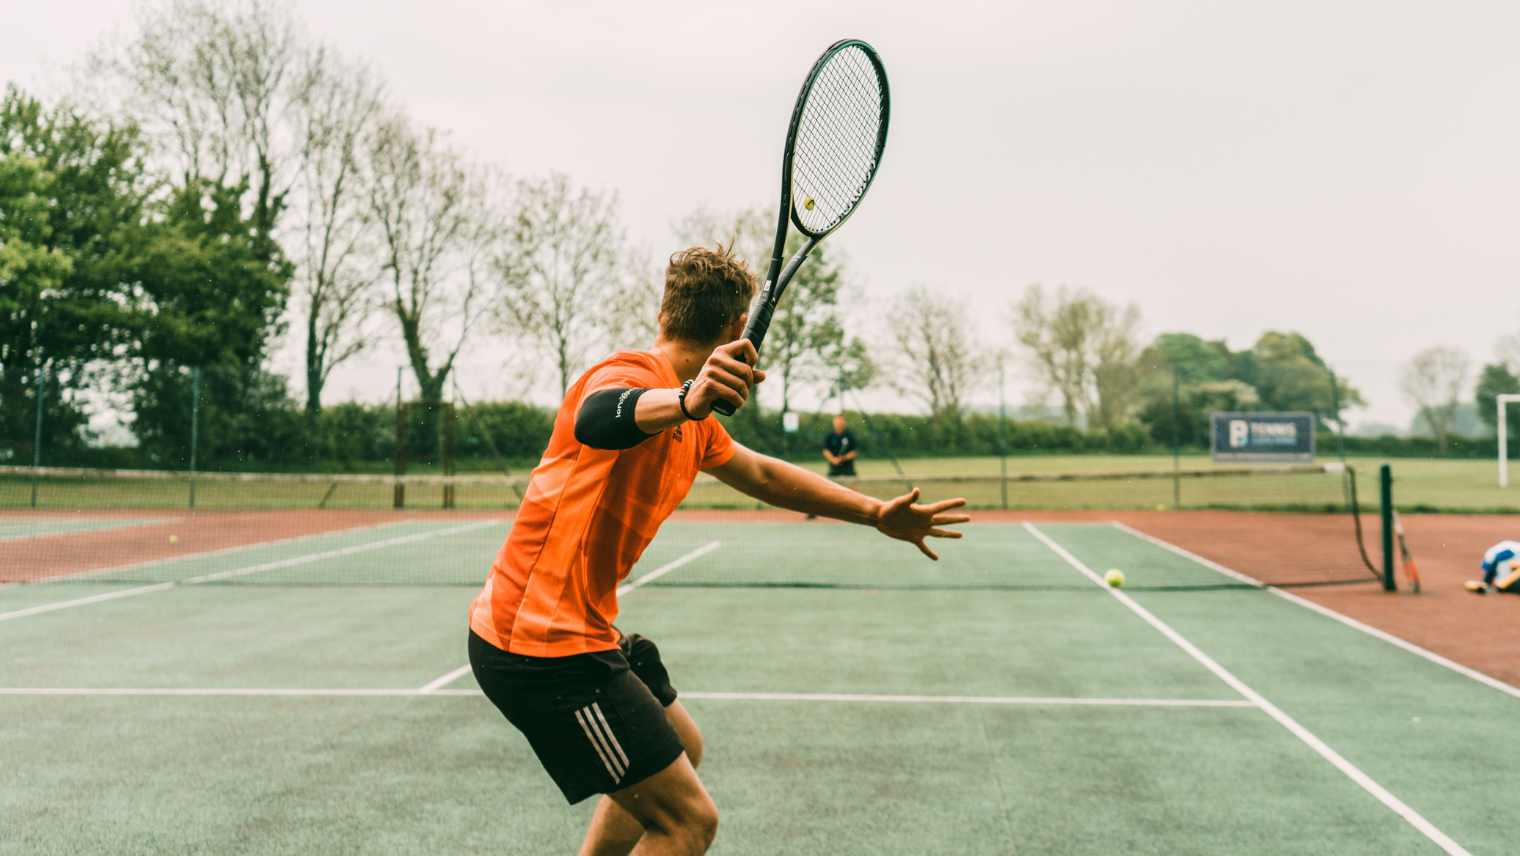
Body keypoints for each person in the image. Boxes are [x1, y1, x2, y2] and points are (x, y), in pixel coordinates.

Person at [467, 245, 969, 856]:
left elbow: (761, 475)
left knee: (686, 748)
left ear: (664, 312)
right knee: (688, 823)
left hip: (572, 629)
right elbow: (601, 416)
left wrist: (873, 512)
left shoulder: (696, 420)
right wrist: (684, 399)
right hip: (537, 649)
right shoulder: (629, 377)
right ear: (737, 328)